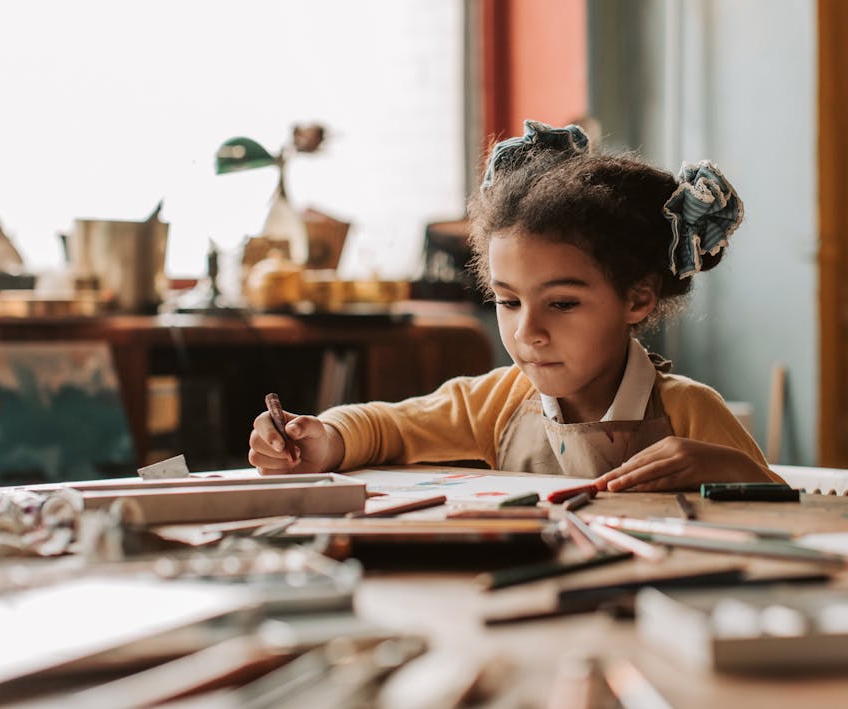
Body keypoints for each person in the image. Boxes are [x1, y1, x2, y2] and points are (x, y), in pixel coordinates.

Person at [247, 120, 781, 491]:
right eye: (507, 301)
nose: (529, 332)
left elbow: (793, 519)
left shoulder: (691, 413)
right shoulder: (499, 402)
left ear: (638, 297)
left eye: (563, 303)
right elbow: (389, 428)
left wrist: (733, 471)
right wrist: (324, 441)